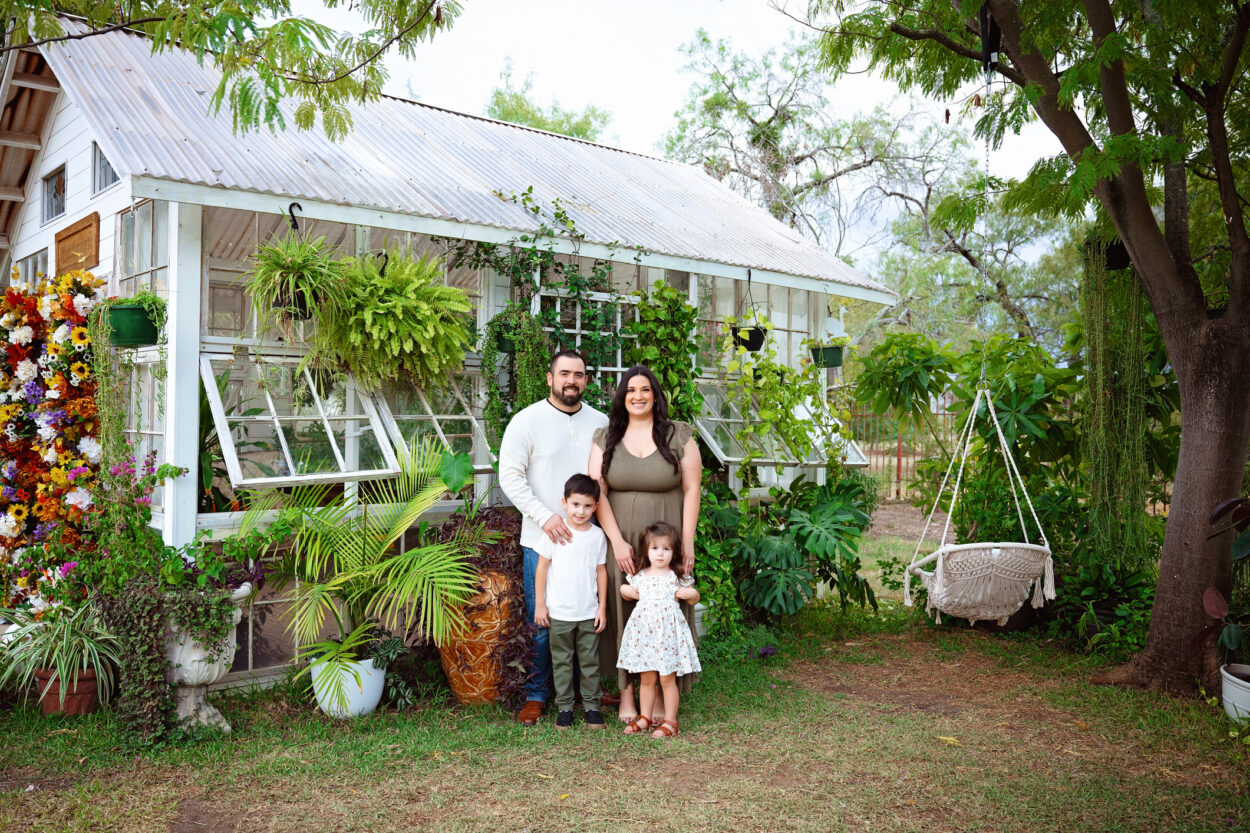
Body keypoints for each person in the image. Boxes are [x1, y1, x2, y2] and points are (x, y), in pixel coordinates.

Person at [499, 350, 609, 727]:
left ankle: (583, 691)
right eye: (564, 373)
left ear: (586, 381)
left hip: (588, 542)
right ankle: (536, 694)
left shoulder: (600, 423)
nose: (571, 380)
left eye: (579, 374)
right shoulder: (526, 421)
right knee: (543, 621)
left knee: (587, 619)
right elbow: (509, 477)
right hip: (543, 540)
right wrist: (545, 517)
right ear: (550, 378)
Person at [589, 365, 701, 724]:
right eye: (630, 390)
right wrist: (618, 542)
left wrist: (687, 541)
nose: (637, 396)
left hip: (665, 542)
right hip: (619, 536)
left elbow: (692, 489)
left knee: (664, 611)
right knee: (625, 609)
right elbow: (597, 492)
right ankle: (626, 693)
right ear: (622, 396)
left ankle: (660, 691)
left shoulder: (678, 435)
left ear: (655, 396)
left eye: (645, 390)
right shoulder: (605, 436)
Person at [533, 474, 609, 730]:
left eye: (588, 506)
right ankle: (564, 708)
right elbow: (542, 569)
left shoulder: (597, 536)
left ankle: (591, 707)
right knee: (562, 662)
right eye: (576, 504)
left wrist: (602, 607)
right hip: (560, 613)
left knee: (589, 662)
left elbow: (601, 571)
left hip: (588, 613)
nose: (581, 511)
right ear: (564, 502)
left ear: (595, 506)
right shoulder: (555, 534)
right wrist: (540, 605)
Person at [617, 521, 701, 738]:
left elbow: (694, 598)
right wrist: (624, 589)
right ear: (647, 550)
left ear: (674, 552)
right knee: (647, 679)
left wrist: (691, 595)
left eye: (666, 549)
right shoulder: (640, 575)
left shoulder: (677, 576)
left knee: (666, 678)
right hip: (646, 635)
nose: (660, 554)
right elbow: (627, 592)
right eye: (655, 548)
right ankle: (645, 717)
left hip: (668, 635)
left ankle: (671, 721)